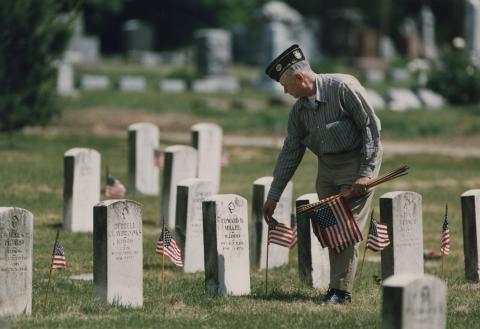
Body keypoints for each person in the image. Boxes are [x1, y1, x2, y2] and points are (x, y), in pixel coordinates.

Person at [262, 44, 383, 305]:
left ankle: (341, 291)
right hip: (326, 171)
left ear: (299, 78)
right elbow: (290, 152)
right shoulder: (298, 112)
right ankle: (336, 288)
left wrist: (366, 173)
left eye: (286, 86)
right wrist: (274, 194)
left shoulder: (343, 87)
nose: (285, 92)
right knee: (331, 228)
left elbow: (371, 129)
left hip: (356, 166)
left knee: (346, 227)